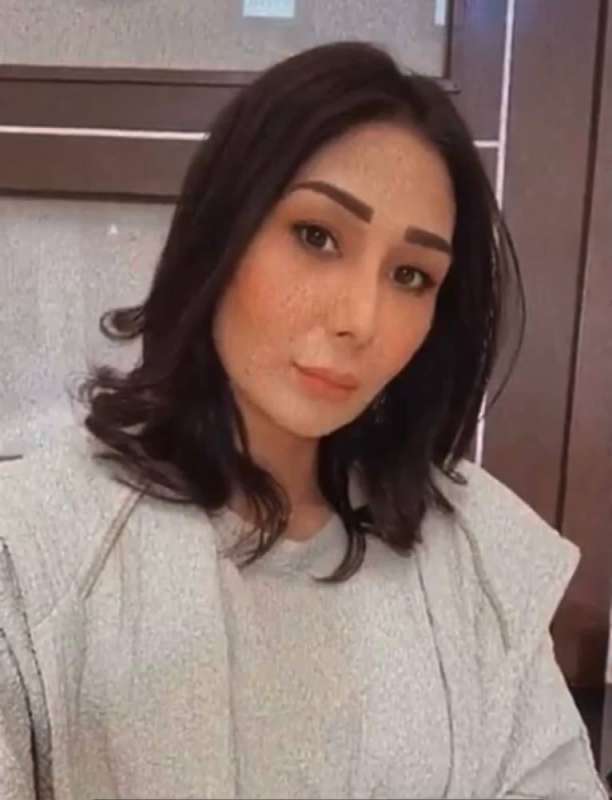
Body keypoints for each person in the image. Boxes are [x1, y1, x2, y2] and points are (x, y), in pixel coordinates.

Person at [0, 41, 606, 800]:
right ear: (224, 228)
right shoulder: (34, 548)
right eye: (317, 236)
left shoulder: (479, 558)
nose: (361, 318)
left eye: (411, 275)